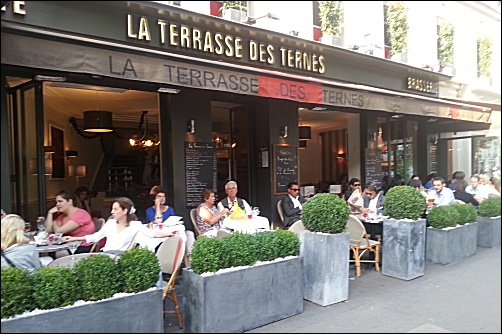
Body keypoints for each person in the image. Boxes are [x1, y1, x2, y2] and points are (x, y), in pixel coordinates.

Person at [63, 197, 178, 252]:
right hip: (105, 255)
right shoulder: (110, 223)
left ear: (124, 211)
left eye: (115, 209)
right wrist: (73, 238)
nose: (112, 212)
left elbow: (152, 234)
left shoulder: (135, 225)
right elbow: (95, 237)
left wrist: (168, 233)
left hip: (121, 258)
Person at [45, 190, 96, 256]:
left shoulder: (80, 214)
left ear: (69, 201)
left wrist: (54, 223)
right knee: (46, 252)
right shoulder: (62, 216)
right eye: (56, 202)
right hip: (68, 245)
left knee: (58, 253)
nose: (57, 204)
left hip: (83, 246)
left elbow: (58, 231)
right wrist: (50, 213)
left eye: (60, 201)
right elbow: (48, 230)